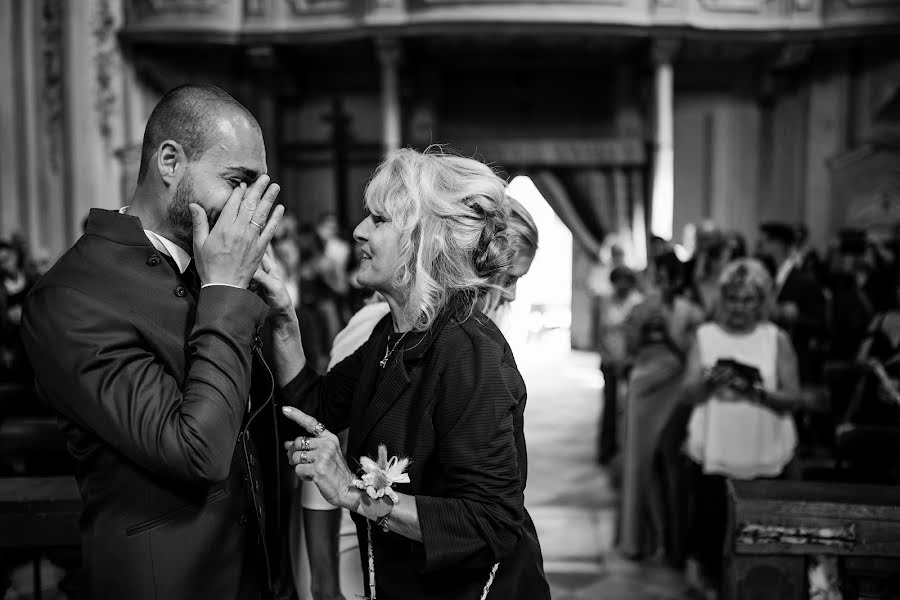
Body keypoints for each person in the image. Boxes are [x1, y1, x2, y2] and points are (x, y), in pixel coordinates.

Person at [21, 84, 286, 600]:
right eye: (238, 182)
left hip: (257, 574)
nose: (250, 208)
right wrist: (226, 292)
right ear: (170, 162)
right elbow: (197, 453)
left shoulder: (205, 264)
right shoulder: (73, 296)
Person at [254, 148, 550, 599]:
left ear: (423, 242)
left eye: (379, 219)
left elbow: (491, 524)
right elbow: (316, 409)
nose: (358, 231)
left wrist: (355, 494)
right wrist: (283, 320)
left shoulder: (469, 353)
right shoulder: (392, 335)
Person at [679, 258, 802, 592]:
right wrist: (708, 383)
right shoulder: (706, 335)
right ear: (722, 299)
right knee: (712, 533)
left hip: (763, 445)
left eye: (748, 300)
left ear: (762, 302)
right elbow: (687, 394)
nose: (739, 308)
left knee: (761, 539)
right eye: (733, 299)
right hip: (716, 449)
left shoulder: (775, 338)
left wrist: (755, 391)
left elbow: (792, 396)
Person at [619, 252, 703, 562]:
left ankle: (672, 541)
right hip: (643, 386)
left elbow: (694, 355)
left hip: (676, 385)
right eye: (658, 275)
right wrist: (640, 325)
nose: (662, 282)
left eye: (668, 276)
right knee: (639, 465)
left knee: (672, 465)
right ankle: (637, 540)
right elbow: (630, 349)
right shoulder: (641, 307)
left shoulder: (692, 312)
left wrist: (669, 331)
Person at [757, 221, 828, 385]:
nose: (760, 248)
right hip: (767, 356)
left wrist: (793, 316)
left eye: (764, 242)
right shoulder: (767, 277)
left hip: (793, 360)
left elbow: (821, 324)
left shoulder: (804, 281)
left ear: (777, 245)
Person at [596, 265, 643, 467]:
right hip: (610, 360)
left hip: (630, 362)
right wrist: (606, 356)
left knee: (627, 407)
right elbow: (601, 332)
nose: (621, 286)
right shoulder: (607, 301)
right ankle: (606, 450)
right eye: (617, 282)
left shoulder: (638, 303)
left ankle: (626, 452)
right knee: (609, 406)